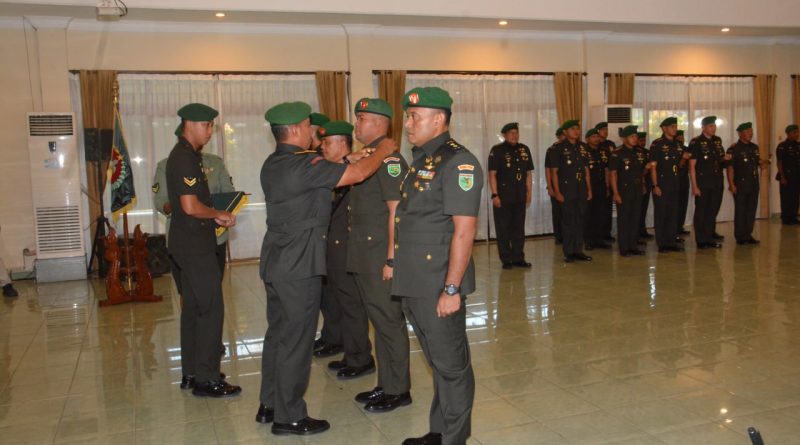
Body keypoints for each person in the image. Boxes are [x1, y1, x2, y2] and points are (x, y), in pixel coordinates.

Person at [256, 101, 396, 436]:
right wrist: (383, 150)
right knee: (296, 340)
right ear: (294, 130)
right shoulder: (305, 165)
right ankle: (289, 416)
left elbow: (322, 173)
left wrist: (349, 158)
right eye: (309, 126)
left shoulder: (274, 163)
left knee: (278, 335)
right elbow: (358, 175)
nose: (315, 132)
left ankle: (270, 403)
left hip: (276, 262)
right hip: (299, 265)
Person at [392, 87, 483, 445]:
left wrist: (451, 289)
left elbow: (464, 230)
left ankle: (454, 439)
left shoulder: (459, 163)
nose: (408, 124)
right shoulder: (422, 159)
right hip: (417, 281)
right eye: (408, 116)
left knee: (451, 366)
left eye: (415, 117)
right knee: (437, 362)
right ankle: (439, 432)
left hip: (438, 283)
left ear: (439, 119)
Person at [166, 103, 239, 398]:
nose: (210, 131)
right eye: (206, 125)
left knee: (194, 310)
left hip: (186, 244)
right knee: (211, 310)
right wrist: (218, 214)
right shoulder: (185, 158)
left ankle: (192, 372)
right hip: (195, 246)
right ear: (190, 125)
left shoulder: (186, 155)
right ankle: (207, 379)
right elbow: (190, 206)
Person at [347, 98, 412, 412]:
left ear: (379, 123)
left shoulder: (390, 161)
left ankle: (398, 390)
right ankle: (386, 384)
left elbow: (396, 212)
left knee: (389, 322)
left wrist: (391, 259)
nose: (356, 124)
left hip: (379, 256)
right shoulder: (368, 157)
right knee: (379, 320)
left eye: (361, 118)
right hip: (365, 254)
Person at [154, 145, 234, 383]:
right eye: (206, 127)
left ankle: (201, 359)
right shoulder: (167, 165)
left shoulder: (214, 162)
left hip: (215, 239)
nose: (208, 131)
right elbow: (162, 202)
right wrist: (188, 206)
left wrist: (214, 209)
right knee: (194, 304)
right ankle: (203, 370)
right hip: (186, 241)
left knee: (209, 300)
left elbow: (228, 193)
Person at [317, 120, 374, 380]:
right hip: (334, 249)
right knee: (342, 303)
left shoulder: (359, 170)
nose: (323, 147)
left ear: (343, 144)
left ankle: (361, 359)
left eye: (327, 143)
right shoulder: (331, 172)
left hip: (350, 250)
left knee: (352, 305)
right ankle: (351, 353)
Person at [308, 113, 344, 358]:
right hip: (319, 237)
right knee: (323, 293)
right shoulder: (309, 160)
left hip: (334, 237)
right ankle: (330, 335)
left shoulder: (331, 162)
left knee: (333, 294)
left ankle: (336, 338)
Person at [488, 122, 534, 269]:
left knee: (518, 229)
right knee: (503, 229)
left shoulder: (524, 149)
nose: (514, 135)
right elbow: (492, 174)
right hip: (503, 196)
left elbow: (528, 174)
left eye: (516, 132)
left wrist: (529, 193)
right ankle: (506, 259)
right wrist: (494, 194)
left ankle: (518, 258)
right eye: (511, 133)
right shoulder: (497, 150)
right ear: (504, 135)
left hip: (520, 195)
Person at [550, 119, 592, 263]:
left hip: (581, 188)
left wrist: (589, 189)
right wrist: (557, 192)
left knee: (580, 220)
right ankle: (569, 252)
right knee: (568, 221)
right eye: (572, 129)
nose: (576, 131)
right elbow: (554, 172)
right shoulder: (558, 148)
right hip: (567, 189)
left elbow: (586, 170)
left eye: (577, 128)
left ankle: (578, 250)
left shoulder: (583, 147)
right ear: (565, 132)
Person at [689, 116, 729, 249]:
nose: (714, 128)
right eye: (711, 126)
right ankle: (701, 240)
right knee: (702, 212)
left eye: (714, 126)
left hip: (717, 182)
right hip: (703, 183)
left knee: (712, 211)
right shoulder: (696, 142)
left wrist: (725, 158)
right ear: (703, 127)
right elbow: (692, 166)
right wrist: (694, 186)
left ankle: (709, 238)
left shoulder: (717, 141)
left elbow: (720, 160)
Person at [727, 122, 768, 244]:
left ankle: (748, 234)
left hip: (753, 183)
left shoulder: (754, 147)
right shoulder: (734, 149)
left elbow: (756, 161)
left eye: (751, 131)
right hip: (740, 184)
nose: (750, 133)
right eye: (747, 131)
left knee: (751, 210)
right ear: (740, 134)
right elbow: (730, 168)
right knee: (740, 211)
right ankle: (740, 237)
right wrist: (731, 184)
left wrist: (762, 163)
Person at [649, 117, 685, 253]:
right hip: (662, 183)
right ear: (664, 128)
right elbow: (653, 167)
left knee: (673, 213)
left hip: (674, 182)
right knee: (661, 214)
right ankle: (662, 243)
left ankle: (671, 242)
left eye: (675, 126)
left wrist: (684, 158)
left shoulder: (677, 144)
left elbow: (680, 163)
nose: (674, 129)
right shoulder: (657, 144)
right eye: (671, 127)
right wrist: (655, 185)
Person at [609, 125, 645, 257]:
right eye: (632, 136)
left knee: (635, 218)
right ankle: (624, 248)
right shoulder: (617, 153)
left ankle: (633, 246)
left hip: (637, 189)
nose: (635, 139)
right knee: (624, 219)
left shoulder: (639, 152)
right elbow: (613, 174)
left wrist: (643, 184)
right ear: (624, 138)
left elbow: (640, 172)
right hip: (623, 190)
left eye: (636, 136)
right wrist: (615, 193)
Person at [584, 128, 611, 250]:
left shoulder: (603, 151)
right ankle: (589, 241)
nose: (596, 139)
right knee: (589, 214)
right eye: (593, 137)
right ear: (587, 139)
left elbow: (606, 169)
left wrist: (607, 185)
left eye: (597, 136)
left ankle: (599, 240)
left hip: (601, 185)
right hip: (588, 186)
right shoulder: (584, 151)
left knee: (601, 213)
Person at [595, 122, 617, 241]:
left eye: (606, 129)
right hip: (598, 180)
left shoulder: (610, 144)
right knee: (598, 209)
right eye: (603, 129)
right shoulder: (595, 145)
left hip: (610, 178)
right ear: (598, 131)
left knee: (608, 209)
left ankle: (606, 234)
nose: (606, 131)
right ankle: (597, 235)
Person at [776, 124, 800, 225]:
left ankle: (793, 217)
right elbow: (779, 162)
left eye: (797, 132)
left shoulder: (798, 145)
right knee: (786, 198)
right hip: (786, 176)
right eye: (794, 132)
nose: (797, 134)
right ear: (788, 133)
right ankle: (786, 218)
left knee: (795, 197)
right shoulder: (782, 146)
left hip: (797, 176)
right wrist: (782, 177)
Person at [545, 128, 566, 244]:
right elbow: (548, 170)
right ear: (558, 136)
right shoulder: (552, 150)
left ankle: (569, 236)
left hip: (570, 187)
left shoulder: (573, 148)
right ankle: (559, 237)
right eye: (563, 135)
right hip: (556, 186)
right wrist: (550, 187)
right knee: (558, 213)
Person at [636, 132, 654, 240]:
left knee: (643, 209)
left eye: (644, 140)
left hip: (647, 183)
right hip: (638, 184)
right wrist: (646, 169)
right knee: (637, 210)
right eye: (640, 140)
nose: (643, 142)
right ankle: (637, 233)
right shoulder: (634, 153)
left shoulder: (647, 152)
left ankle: (642, 230)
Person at [675, 130, 692, 236]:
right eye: (679, 137)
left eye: (682, 137)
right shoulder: (673, 149)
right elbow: (679, 166)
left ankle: (680, 226)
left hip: (684, 179)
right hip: (675, 180)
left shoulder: (686, 149)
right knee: (675, 206)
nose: (681, 139)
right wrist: (683, 158)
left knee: (683, 205)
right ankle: (674, 229)